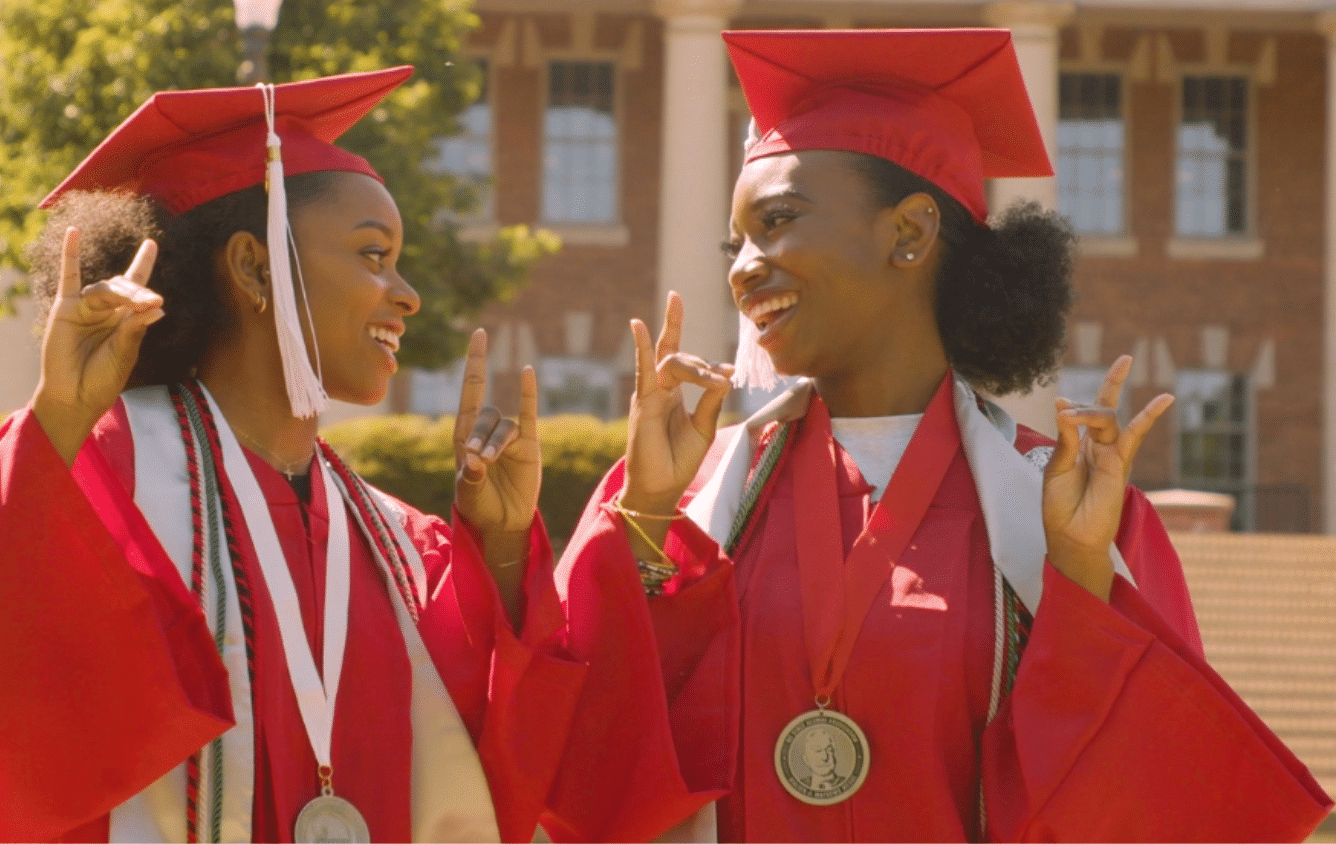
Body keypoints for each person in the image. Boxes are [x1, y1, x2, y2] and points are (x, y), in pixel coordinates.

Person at [545, 28, 1333, 842]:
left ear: (910, 233)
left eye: (777, 221)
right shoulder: (697, 495)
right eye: (736, 241)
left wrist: (1082, 579)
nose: (744, 266)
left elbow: (1148, 804)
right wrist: (642, 514)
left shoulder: (1063, 513)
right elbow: (581, 760)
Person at [0, 68, 584, 844]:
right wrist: (58, 419)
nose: (407, 293)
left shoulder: (393, 539)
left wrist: (505, 546)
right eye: (374, 255)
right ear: (252, 268)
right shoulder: (109, 476)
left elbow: (505, 762)